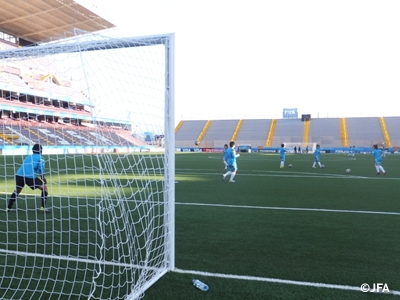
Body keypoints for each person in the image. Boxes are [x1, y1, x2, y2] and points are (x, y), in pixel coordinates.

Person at [6, 144, 50, 213]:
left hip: (19, 175)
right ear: (41, 151)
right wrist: (43, 178)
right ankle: (43, 207)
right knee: (44, 188)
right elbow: (41, 169)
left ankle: (8, 208)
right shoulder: (41, 158)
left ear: (32, 150)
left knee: (17, 190)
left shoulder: (28, 157)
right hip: (29, 176)